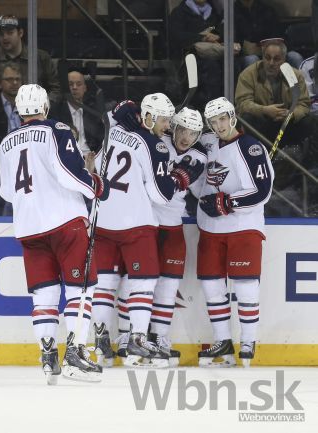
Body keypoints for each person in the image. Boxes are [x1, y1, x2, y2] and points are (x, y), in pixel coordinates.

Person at [0, 83, 110, 384]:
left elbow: (6, 191)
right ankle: (75, 353)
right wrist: (94, 185)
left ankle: (48, 357)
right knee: (80, 288)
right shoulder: (56, 128)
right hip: (64, 221)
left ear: (20, 110)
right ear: (45, 107)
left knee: (44, 295)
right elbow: (68, 170)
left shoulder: (6, 141)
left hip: (28, 227)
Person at [89, 94, 204, 368]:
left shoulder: (113, 128)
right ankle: (137, 341)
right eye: (164, 119)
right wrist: (176, 180)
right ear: (150, 117)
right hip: (135, 223)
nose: (166, 125)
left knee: (104, 285)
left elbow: (115, 110)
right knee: (144, 283)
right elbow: (160, 195)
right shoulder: (154, 145)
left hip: (102, 217)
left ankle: (101, 342)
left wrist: (124, 106)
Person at [195, 97, 273, 367]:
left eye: (223, 119)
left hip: (243, 226)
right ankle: (223, 340)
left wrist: (227, 203)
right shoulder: (207, 143)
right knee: (211, 285)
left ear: (233, 117)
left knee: (245, 285)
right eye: (214, 122)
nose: (219, 126)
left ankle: (248, 340)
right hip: (210, 227)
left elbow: (262, 191)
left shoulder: (251, 148)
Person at [145, 107, 208, 366]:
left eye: (193, 132)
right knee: (140, 284)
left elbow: (188, 187)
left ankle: (159, 337)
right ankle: (131, 338)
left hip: (172, 225)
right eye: (183, 129)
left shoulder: (197, 156)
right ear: (174, 126)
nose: (186, 137)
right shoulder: (156, 143)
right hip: (146, 222)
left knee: (168, 287)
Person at [0, 15, 61, 104]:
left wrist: (41, 104)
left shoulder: (41, 57)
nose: (5, 37)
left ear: (20, 33)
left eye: (10, 33)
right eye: (1, 34)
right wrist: (8, 103)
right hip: (1, 112)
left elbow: (56, 89)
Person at [50, 68, 105, 155]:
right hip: (67, 157)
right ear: (66, 88)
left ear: (85, 88)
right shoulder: (56, 111)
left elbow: (100, 139)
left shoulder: (93, 112)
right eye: (70, 84)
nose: (74, 87)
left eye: (79, 84)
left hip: (91, 158)